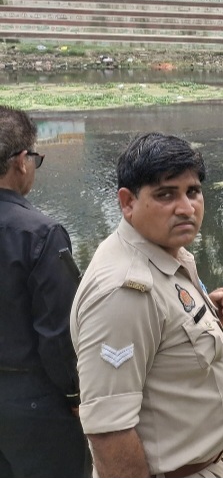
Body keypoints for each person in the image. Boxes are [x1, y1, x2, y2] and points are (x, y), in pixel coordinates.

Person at [71, 133, 223, 478]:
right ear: (128, 202)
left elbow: (163, 335)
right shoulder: (124, 291)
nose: (186, 208)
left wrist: (207, 316)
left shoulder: (162, 251)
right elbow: (110, 434)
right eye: (166, 194)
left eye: (192, 191)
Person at [0, 105, 90, 478]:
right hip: (33, 402)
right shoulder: (39, 234)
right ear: (21, 162)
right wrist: (75, 394)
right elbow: (59, 332)